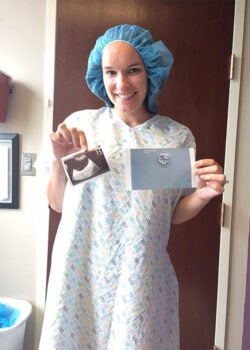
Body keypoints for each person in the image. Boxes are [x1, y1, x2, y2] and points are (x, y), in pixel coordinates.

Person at [39, 24, 226, 350]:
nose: (121, 84)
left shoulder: (174, 137)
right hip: (80, 271)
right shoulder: (83, 127)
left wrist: (203, 195)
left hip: (139, 276)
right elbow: (57, 203)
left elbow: (169, 214)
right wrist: (60, 162)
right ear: (101, 74)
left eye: (133, 71)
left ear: (151, 72)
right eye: (110, 72)